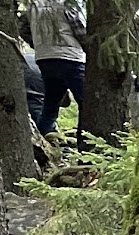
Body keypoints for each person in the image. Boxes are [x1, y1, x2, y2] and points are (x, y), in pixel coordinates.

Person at [26, 0, 86, 138]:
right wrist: (90, 51)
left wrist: (39, 46)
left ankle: (46, 138)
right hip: (72, 57)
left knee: (50, 104)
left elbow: (24, 28)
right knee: (86, 103)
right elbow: (80, 30)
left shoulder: (34, 4)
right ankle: (85, 142)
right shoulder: (68, 2)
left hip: (45, 58)